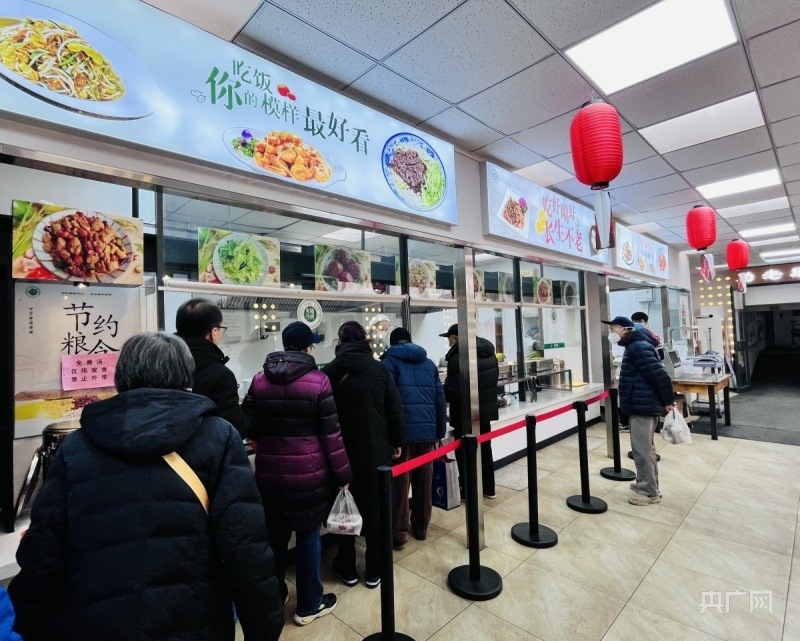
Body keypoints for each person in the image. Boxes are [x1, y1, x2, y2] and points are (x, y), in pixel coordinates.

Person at [8, 332, 284, 641]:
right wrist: (264, 628)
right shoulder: (219, 437)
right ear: (186, 375)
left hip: (93, 624)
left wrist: (30, 623)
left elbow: (43, 553)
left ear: (122, 376)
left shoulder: (76, 447)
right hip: (194, 621)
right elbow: (245, 547)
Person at [242, 321, 352, 627]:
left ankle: (275, 595)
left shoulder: (259, 379)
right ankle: (309, 604)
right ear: (308, 348)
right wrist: (344, 474)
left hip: (269, 473)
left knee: (275, 538)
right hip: (308, 475)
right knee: (307, 536)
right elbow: (331, 435)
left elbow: (249, 426)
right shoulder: (319, 381)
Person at [322, 321, 405, 588]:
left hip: (340, 454)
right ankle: (374, 570)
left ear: (339, 342)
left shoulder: (329, 372)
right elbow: (394, 408)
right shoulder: (380, 369)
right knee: (376, 509)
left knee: (345, 509)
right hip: (375, 453)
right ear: (365, 341)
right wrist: (397, 441)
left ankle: (347, 568)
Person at [381, 328, 446, 548]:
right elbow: (440, 399)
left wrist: (391, 436)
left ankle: (399, 534)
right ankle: (421, 528)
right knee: (424, 483)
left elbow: (388, 402)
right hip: (427, 433)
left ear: (392, 344)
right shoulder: (429, 364)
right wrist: (439, 433)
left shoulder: (389, 363)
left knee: (400, 485)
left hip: (403, 434)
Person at [603, 316, 675, 506]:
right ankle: (647, 483)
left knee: (642, 450)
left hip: (643, 404)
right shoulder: (636, 345)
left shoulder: (638, 347)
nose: (612, 333)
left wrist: (669, 400)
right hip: (642, 402)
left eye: (614, 329)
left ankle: (648, 492)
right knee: (645, 448)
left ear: (626, 329)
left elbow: (658, 374)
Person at [441, 323, 500, 500]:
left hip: (465, 414)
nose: (449, 343)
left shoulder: (457, 357)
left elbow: (454, 389)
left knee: (465, 453)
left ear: (456, 338)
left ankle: (468, 492)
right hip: (485, 411)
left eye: (450, 339)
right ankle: (489, 489)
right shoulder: (489, 352)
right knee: (485, 449)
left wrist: (443, 392)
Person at [175, 298, 249, 437]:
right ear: (213, 332)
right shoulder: (220, 375)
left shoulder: (161, 363)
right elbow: (233, 428)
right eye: (221, 329)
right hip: (204, 447)